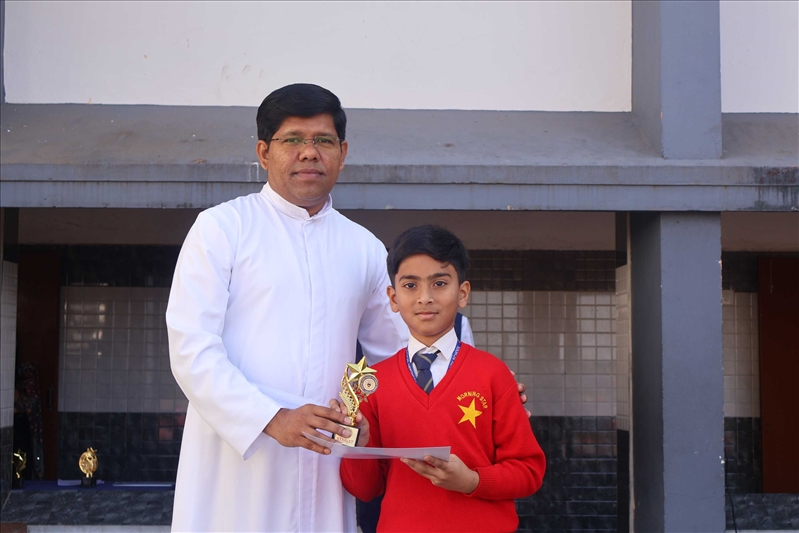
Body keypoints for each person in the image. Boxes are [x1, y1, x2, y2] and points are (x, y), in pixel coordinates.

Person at [166, 83, 528, 532]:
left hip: (326, 459)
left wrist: (479, 386)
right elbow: (191, 349)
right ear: (263, 152)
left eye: (323, 140)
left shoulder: (362, 247)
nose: (309, 152)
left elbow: (407, 345)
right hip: (237, 462)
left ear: (343, 153)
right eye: (293, 140)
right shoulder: (222, 229)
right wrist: (270, 418)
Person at [339, 225, 546, 532]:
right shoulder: (371, 384)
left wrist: (472, 481)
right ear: (393, 298)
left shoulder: (493, 374)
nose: (425, 298)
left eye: (439, 283)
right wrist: (356, 443)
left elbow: (529, 471)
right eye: (410, 285)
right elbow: (365, 490)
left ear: (462, 293)